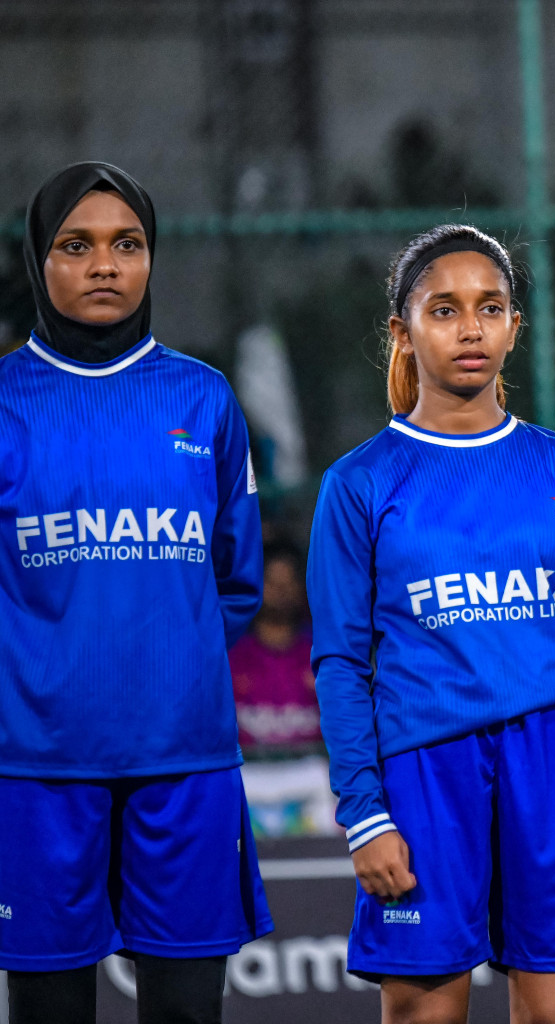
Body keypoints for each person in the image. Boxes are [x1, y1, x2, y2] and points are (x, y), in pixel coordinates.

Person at [308, 224, 555, 1024]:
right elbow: (341, 663)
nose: (470, 329)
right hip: (424, 771)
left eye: (490, 308)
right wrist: (364, 811)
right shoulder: (359, 484)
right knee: (426, 1014)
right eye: (445, 309)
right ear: (402, 331)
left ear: (515, 327)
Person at [0, 162, 270, 1024]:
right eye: (76, 246)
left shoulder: (205, 397)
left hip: (185, 764)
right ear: (38, 260)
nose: (105, 265)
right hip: (35, 770)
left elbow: (236, 580)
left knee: (189, 1011)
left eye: (128, 244)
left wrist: (166, 663)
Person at [229, 538, 320, 752]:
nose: (281, 591)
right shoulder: (230, 655)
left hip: (316, 773)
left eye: (288, 582)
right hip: (249, 773)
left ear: (302, 586)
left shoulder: (324, 654)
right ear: (256, 585)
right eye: (272, 582)